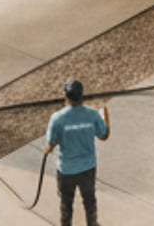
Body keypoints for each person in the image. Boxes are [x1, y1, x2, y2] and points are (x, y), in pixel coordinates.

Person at [44, 79, 110, 226]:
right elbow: (103, 133)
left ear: (65, 97)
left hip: (67, 170)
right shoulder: (92, 115)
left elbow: (51, 142)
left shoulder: (57, 118)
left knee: (66, 202)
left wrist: (47, 149)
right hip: (88, 167)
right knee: (89, 200)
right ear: (82, 96)